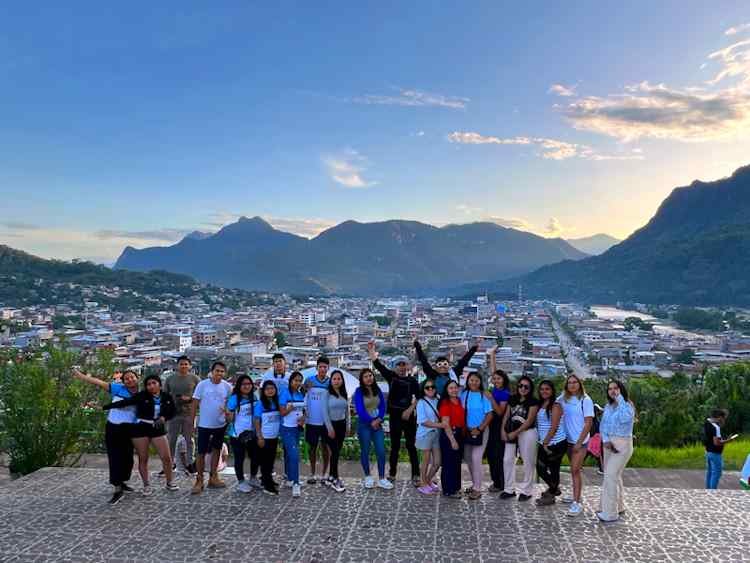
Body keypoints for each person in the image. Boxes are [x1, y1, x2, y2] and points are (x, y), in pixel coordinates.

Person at [103, 374, 178, 496]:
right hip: (141, 428)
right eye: (148, 384)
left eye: (154, 383)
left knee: (166, 457)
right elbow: (124, 403)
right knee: (143, 458)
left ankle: (170, 482)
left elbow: (173, 411)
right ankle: (146, 485)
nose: (151, 386)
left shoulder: (166, 396)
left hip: (157, 428)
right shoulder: (142, 396)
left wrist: (164, 417)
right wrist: (104, 407)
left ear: (159, 384)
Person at [73, 368, 139, 505]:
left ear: (137, 378)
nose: (130, 380)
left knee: (128, 458)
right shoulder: (118, 389)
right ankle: (117, 488)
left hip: (129, 429)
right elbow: (98, 382)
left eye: (132, 377)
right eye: (126, 378)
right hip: (113, 427)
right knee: (114, 457)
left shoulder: (142, 394)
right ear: (123, 381)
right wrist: (81, 376)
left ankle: (122, 481)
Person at [368, 341, 420, 484]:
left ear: (408, 366)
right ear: (394, 367)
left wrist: (410, 410)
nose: (402, 367)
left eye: (404, 364)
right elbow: (377, 364)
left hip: (409, 416)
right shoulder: (391, 377)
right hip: (395, 416)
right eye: (399, 365)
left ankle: (416, 474)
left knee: (411, 446)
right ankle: (392, 473)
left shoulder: (412, 381)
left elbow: (419, 397)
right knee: (395, 446)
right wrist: (372, 350)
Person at [190, 361, 233, 494]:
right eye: (217, 371)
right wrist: (192, 423)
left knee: (216, 450)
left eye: (222, 371)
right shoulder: (202, 385)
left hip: (220, 424)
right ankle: (199, 479)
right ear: (212, 371)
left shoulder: (227, 386)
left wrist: (227, 413)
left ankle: (214, 477)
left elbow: (229, 404)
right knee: (201, 452)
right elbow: (194, 404)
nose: (219, 373)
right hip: (204, 425)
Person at [597, 380, 636, 522]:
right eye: (610, 389)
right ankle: (617, 506)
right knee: (615, 476)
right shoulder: (608, 406)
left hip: (623, 445)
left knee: (610, 475)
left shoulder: (627, 406)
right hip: (608, 444)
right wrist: (605, 440)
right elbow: (603, 426)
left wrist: (619, 398)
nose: (613, 391)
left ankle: (610, 513)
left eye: (616, 388)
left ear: (621, 390)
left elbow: (625, 418)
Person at [558, 374, 595, 516]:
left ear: (579, 384)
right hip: (568, 440)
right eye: (569, 382)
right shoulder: (564, 399)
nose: (572, 385)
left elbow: (588, 423)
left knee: (575, 470)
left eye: (575, 382)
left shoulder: (585, 400)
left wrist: (579, 442)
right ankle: (575, 495)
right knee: (575, 471)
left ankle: (577, 502)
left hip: (581, 441)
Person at [500, 375, 539, 502]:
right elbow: (506, 415)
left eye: (526, 387)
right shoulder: (512, 398)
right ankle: (509, 489)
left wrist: (516, 433)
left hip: (527, 432)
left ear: (530, 388)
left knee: (528, 461)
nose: (523, 388)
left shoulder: (533, 401)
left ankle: (527, 491)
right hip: (511, 431)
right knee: (507, 460)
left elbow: (529, 420)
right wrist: (503, 430)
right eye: (521, 385)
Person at [353, 368, 393, 490]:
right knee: (365, 451)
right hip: (364, 425)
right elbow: (360, 410)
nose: (369, 378)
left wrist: (379, 419)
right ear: (362, 379)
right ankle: (368, 477)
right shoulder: (359, 391)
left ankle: (381, 478)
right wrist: (371, 421)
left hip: (377, 424)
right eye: (366, 376)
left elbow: (382, 406)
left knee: (381, 450)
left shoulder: (378, 389)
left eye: (370, 375)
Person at [460, 372, 493, 500]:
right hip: (467, 431)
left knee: (476, 458)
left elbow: (489, 414)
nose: (473, 383)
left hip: (481, 430)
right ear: (468, 381)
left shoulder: (483, 395)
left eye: (476, 381)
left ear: (480, 382)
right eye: (471, 380)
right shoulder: (464, 395)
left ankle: (478, 489)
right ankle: (475, 484)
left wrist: (479, 429)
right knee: (468, 458)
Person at [165, 355, 200, 475]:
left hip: (189, 413)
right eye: (181, 364)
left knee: (189, 439)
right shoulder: (170, 379)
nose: (183, 366)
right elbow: (164, 395)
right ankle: (169, 463)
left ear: (189, 366)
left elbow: (200, 395)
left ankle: (190, 463)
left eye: (186, 364)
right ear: (177, 365)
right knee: (171, 439)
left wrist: (189, 399)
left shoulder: (195, 379)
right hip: (174, 413)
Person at [535, 380, 567, 506]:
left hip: (556, 443)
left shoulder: (556, 405)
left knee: (553, 469)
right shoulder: (541, 404)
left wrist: (545, 443)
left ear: (552, 391)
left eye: (547, 389)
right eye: (542, 389)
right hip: (545, 442)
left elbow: (554, 427)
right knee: (540, 468)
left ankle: (551, 495)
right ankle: (554, 489)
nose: (544, 391)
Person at [226, 374, 258, 494]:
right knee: (239, 458)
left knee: (255, 456)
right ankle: (240, 481)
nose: (247, 386)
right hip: (237, 433)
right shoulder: (234, 399)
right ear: (239, 386)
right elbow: (229, 417)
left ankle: (253, 478)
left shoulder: (254, 397)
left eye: (249, 384)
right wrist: (228, 415)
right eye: (244, 384)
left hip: (252, 432)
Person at [414, 338, 479, 396]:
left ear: (448, 366)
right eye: (440, 364)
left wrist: (472, 350)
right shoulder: (433, 375)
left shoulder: (454, 373)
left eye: (445, 364)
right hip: (437, 402)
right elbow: (424, 362)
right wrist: (418, 347)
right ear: (436, 367)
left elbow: (463, 362)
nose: (442, 366)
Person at [486, 346, 510, 493]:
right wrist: (492, 356)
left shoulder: (504, 393)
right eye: (494, 379)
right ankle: (497, 481)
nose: (495, 380)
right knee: (491, 454)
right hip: (493, 423)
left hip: (499, 425)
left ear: (504, 380)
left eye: (498, 379)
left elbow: (500, 411)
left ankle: (499, 483)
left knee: (496, 455)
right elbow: (494, 371)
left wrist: (490, 399)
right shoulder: (497, 388)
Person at [304, 356, 331, 484]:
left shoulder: (331, 382)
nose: (322, 369)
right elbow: (301, 394)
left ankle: (324, 474)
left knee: (325, 448)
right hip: (311, 421)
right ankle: (312, 473)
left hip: (326, 421)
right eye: (320, 366)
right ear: (317, 368)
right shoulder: (309, 381)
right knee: (312, 448)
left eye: (325, 367)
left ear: (328, 368)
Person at [279, 371, 306, 497]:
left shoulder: (300, 394)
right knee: (294, 455)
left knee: (290, 455)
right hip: (287, 429)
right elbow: (282, 412)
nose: (298, 383)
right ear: (290, 381)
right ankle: (295, 483)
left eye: (300, 380)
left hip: (297, 429)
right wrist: (289, 409)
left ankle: (290, 478)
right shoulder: (285, 393)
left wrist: (303, 418)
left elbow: (303, 410)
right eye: (295, 380)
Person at [323, 369, 350, 493]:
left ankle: (330, 477)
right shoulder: (326, 394)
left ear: (342, 381)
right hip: (330, 426)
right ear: (331, 381)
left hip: (341, 426)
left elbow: (347, 412)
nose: (337, 381)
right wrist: (329, 428)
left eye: (339, 379)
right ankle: (335, 478)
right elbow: (324, 412)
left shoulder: (344, 393)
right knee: (335, 453)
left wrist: (348, 427)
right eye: (334, 379)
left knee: (336, 452)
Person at [254, 380, 282, 495]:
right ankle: (267, 485)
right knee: (265, 461)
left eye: (272, 388)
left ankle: (268, 479)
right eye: (267, 389)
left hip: (274, 436)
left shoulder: (277, 402)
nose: (270, 391)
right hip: (265, 437)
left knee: (270, 461)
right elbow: (256, 421)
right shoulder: (260, 404)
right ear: (263, 391)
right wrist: (259, 437)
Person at [437, 380, 464, 498]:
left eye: (455, 388)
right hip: (450, 434)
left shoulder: (458, 400)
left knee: (456, 463)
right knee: (449, 463)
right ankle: (449, 490)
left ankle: (456, 487)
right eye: (451, 388)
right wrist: (452, 440)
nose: (454, 390)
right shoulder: (445, 403)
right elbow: (445, 423)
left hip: (459, 433)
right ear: (447, 390)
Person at [415, 379, 442, 495]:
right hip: (425, 434)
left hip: (436, 433)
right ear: (423, 389)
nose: (430, 389)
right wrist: (440, 425)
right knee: (425, 461)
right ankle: (423, 483)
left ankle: (428, 480)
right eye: (427, 387)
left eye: (432, 387)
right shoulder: (421, 402)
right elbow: (423, 421)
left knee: (437, 461)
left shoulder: (438, 399)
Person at [704, 408, 736, 489]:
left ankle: (708, 491)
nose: (724, 420)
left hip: (707, 451)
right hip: (715, 453)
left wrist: (723, 439)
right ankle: (713, 491)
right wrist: (729, 440)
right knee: (717, 473)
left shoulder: (707, 422)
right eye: (723, 418)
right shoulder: (716, 427)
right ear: (719, 417)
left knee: (710, 472)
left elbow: (711, 438)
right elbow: (716, 443)